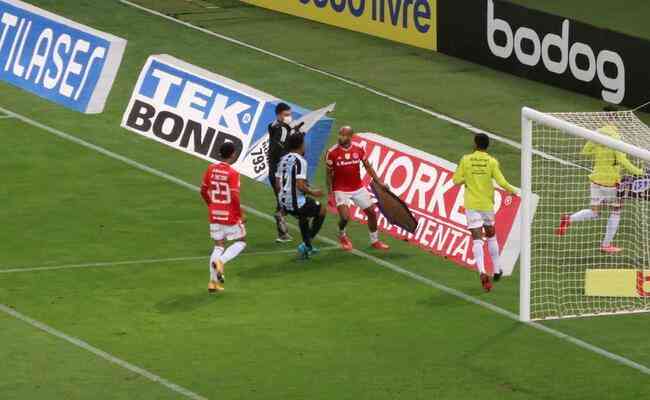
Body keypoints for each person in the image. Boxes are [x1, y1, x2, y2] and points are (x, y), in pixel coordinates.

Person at [555, 125, 643, 253]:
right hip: (610, 183)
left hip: (595, 181)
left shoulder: (598, 138)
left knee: (594, 212)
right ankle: (606, 245)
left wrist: (594, 139)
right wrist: (639, 172)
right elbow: (623, 161)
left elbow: (585, 151)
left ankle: (569, 219)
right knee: (616, 211)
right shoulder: (616, 140)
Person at [452, 133, 518, 292]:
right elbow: (502, 182)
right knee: (491, 234)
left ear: (475, 144)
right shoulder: (492, 162)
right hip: (486, 204)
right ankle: (496, 270)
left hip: (472, 204)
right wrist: (513, 191)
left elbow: (456, 180)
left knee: (477, 239)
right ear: (487, 146)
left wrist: (467, 179)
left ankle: (482, 271)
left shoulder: (465, 159)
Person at [326, 126, 390, 251]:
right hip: (340, 189)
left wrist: (379, 183)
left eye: (344, 135)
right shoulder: (332, 152)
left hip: (357, 187)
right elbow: (328, 175)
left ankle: (375, 241)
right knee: (345, 217)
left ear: (351, 137)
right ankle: (342, 235)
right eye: (340, 134)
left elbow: (368, 167)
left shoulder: (359, 149)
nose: (341, 137)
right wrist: (330, 194)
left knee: (372, 212)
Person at [200, 142, 247, 293]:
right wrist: (240, 213)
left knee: (218, 246)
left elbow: (203, 190)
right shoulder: (233, 173)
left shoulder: (210, 169)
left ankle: (213, 283)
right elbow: (234, 195)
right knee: (241, 242)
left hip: (214, 213)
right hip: (229, 214)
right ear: (233, 154)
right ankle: (221, 262)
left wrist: (211, 205)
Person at [275, 134, 326, 259]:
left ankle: (307, 246)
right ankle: (306, 244)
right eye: (304, 143)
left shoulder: (283, 159)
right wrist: (315, 192)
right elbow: (300, 185)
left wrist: (283, 202)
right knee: (322, 210)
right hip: (295, 201)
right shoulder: (300, 161)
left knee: (303, 218)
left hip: (283, 200)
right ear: (300, 145)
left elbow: (277, 183)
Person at [267, 102, 301, 243]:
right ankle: (286, 219)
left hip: (274, 170)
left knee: (282, 200)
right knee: (289, 200)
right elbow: (278, 149)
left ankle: (283, 234)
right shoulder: (283, 129)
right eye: (286, 115)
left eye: (290, 114)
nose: (289, 117)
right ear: (279, 114)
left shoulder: (273, 125)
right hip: (281, 171)